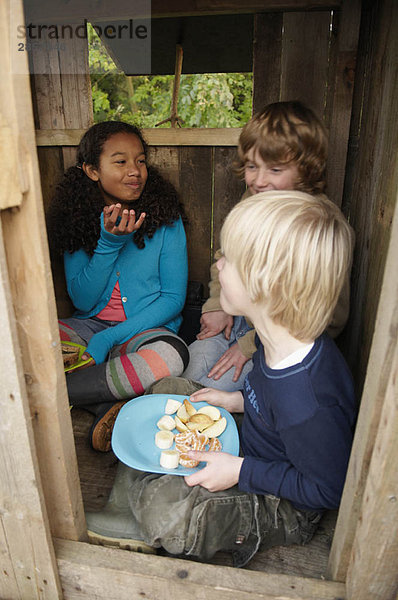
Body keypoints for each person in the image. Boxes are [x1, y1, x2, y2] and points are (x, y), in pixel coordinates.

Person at [85, 190, 357, 567]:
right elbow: (268, 397)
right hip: (256, 442)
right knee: (167, 391)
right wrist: (236, 401)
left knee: (167, 510)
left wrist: (240, 470)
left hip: (284, 503)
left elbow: (327, 488)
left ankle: (143, 509)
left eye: (228, 258)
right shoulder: (274, 334)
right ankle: (127, 500)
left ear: (265, 283)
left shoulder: (309, 399)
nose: (218, 261)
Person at [183, 101, 351, 391]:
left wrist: (249, 346)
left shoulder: (319, 227)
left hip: (278, 343)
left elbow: (326, 319)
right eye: (252, 166)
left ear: (306, 169)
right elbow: (226, 257)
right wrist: (216, 305)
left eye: (275, 169)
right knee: (191, 371)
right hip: (236, 317)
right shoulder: (254, 203)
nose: (259, 181)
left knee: (211, 390)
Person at [47, 121, 189, 452]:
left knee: (172, 356)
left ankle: (47, 395)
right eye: (120, 161)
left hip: (146, 329)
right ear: (92, 170)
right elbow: (82, 297)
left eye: (140, 161)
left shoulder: (165, 217)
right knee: (33, 343)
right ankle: (105, 402)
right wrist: (108, 243)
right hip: (87, 324)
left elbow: (172, 299)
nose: (135, 171)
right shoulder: (78, 217)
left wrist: (109, 337)